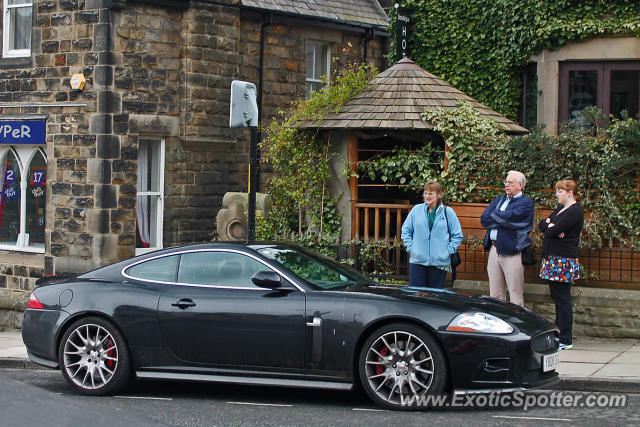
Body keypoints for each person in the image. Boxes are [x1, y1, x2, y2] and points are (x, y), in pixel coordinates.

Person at [539, 180, 584, 350]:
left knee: (563, 299)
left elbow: (551, 230)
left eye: (560, 191)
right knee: (557, 298)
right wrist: (551, 226)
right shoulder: (561, 210)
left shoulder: (574, 211)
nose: (557, 194)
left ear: (570, 193)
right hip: (553, 259)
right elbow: (543, 225)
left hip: (563, 260)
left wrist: (552, 227)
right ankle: (560, 335)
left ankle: (566, 339)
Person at [480, 170, 534, 306]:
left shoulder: (526, 203)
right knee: (495, 295)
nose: (506, 185)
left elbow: (511, 220)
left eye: (510, 182)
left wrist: (498, 216)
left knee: (515, 294)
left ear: (520, 186)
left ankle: (517, 325)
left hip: (512, 252)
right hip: (494, 249)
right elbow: (484, 219)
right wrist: (501, 218)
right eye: (506, 182)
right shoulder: (499, 199)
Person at [401, 181, 463, 288]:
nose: (427, 196)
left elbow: (457, 235)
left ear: (438, 195)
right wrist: (411, 248)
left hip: (440, 263)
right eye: (425, 193)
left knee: (434, 297)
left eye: (430, 194)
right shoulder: (416, 210)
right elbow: (406, 230)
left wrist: (447, 251)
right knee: (416, 296)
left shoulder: (448, 212)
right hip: (418, 261)